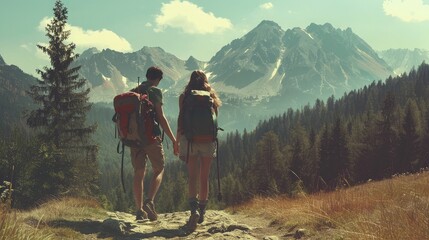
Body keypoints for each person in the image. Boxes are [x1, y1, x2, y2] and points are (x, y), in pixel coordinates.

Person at [130, 66, 178, 221]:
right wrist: (173, 139)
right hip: (151, 137)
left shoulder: (133, 91)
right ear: (158, 79)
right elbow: (161, 117)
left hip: (135, 139)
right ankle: (149, 201)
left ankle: (139, 211)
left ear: (147, 76)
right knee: (159, 168)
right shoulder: (155, 92)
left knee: (139, 172)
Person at [177, 70, 222, 231]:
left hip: (189, 141)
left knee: (192, 177)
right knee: (204, 177)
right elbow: (215, 119)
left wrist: (177, 141)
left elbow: (181, 119)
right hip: (207, 141)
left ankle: (193, 210)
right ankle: (202, 211)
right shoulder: (211, 97)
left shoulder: (184, 97)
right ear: (205, 81)